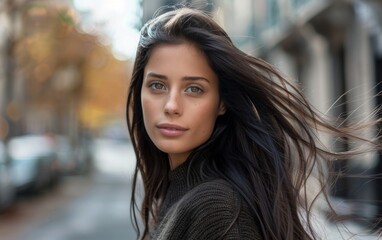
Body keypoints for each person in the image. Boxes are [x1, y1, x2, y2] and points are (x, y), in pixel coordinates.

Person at [126, 7, 381, 240]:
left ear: (221, 102)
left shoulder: (219, 210)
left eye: (194, 89)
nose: (171, 105)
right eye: (157, 85)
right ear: (140, 93)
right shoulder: (180, 191)